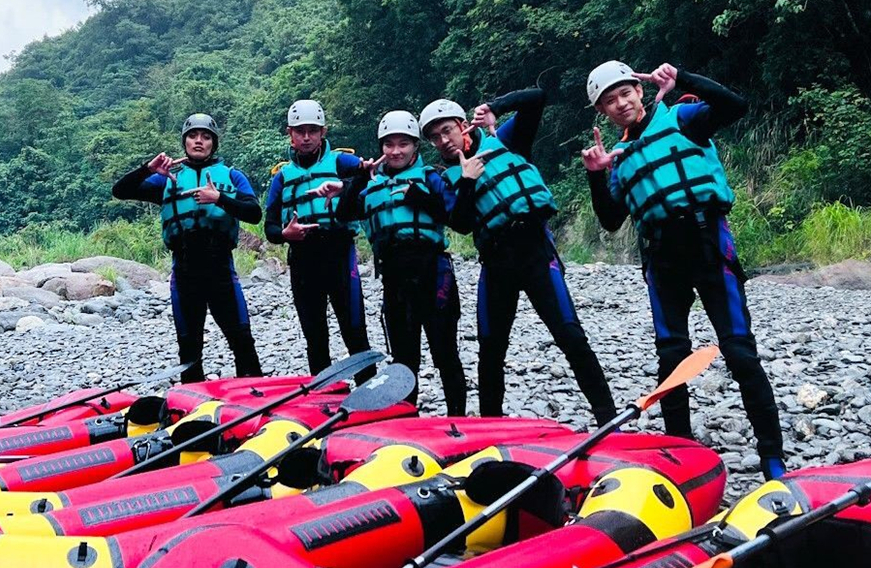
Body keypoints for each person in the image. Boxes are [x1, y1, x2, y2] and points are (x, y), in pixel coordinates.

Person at [582, 60, 785, 480]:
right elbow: (610, 220)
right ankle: (681, 455)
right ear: (602, 111)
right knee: (672, 358)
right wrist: (596, 177)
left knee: (740, 352)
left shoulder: (684, 117)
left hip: (708, 243)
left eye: (625, 93)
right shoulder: (617, 158)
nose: (620, 104)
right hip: (662, 259)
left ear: (639, 91)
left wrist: (685, 80)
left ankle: (772, 458)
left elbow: (735, 106)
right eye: (609, 101)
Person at [420, 90, 617, 424]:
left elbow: (537, 98)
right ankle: (491, 425)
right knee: (491, 348)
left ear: (463, 125)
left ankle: (606, 416)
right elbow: (462, 224)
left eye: (447, 130)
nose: (443, 140)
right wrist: (468, 181)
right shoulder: (445, 178)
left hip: (535, 250)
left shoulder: (505, 139)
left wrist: (494, 108)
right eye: (435, 137)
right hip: (496, 260)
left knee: (570, 335)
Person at [311, 110, 467, 413]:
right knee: (404, 359)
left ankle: (458, 420)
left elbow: (458, 218)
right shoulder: (371, 185)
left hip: (433, 272)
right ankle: (407, 418)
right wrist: (358, 177)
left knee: (445, 353)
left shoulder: (432, 177)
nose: (395, 151)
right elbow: (344, 214)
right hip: (395, 279)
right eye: (389, 145)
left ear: (415, 146)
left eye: (403, 144)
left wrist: (422, 198)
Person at [112, 113, 262, 382]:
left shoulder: (232, 176)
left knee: (241, 339)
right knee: (189, 346)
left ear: (213, 143)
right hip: (184, 269)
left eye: (206, 137)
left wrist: (219, 198)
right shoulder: (168, 179)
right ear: (185, 142)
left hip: (220, 268)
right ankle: (194, 408)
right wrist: (148, 168)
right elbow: (120, 191)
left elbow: (253, 213)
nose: (199, 141)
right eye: (193, 136)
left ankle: (253, 396)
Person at [264, 99, 374, 382]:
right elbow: (270, 226)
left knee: (354, 329)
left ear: (323, 132)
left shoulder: (341, 162)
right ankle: (326, 397)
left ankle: (369, 392)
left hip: (338, 251)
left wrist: (346, 186)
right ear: (290, 133)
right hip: (303, 258)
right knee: (315, 334)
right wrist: (284, 235)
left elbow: (373, 179)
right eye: (300, 131)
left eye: (312, 130)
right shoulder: (282, 177)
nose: (306, 137)